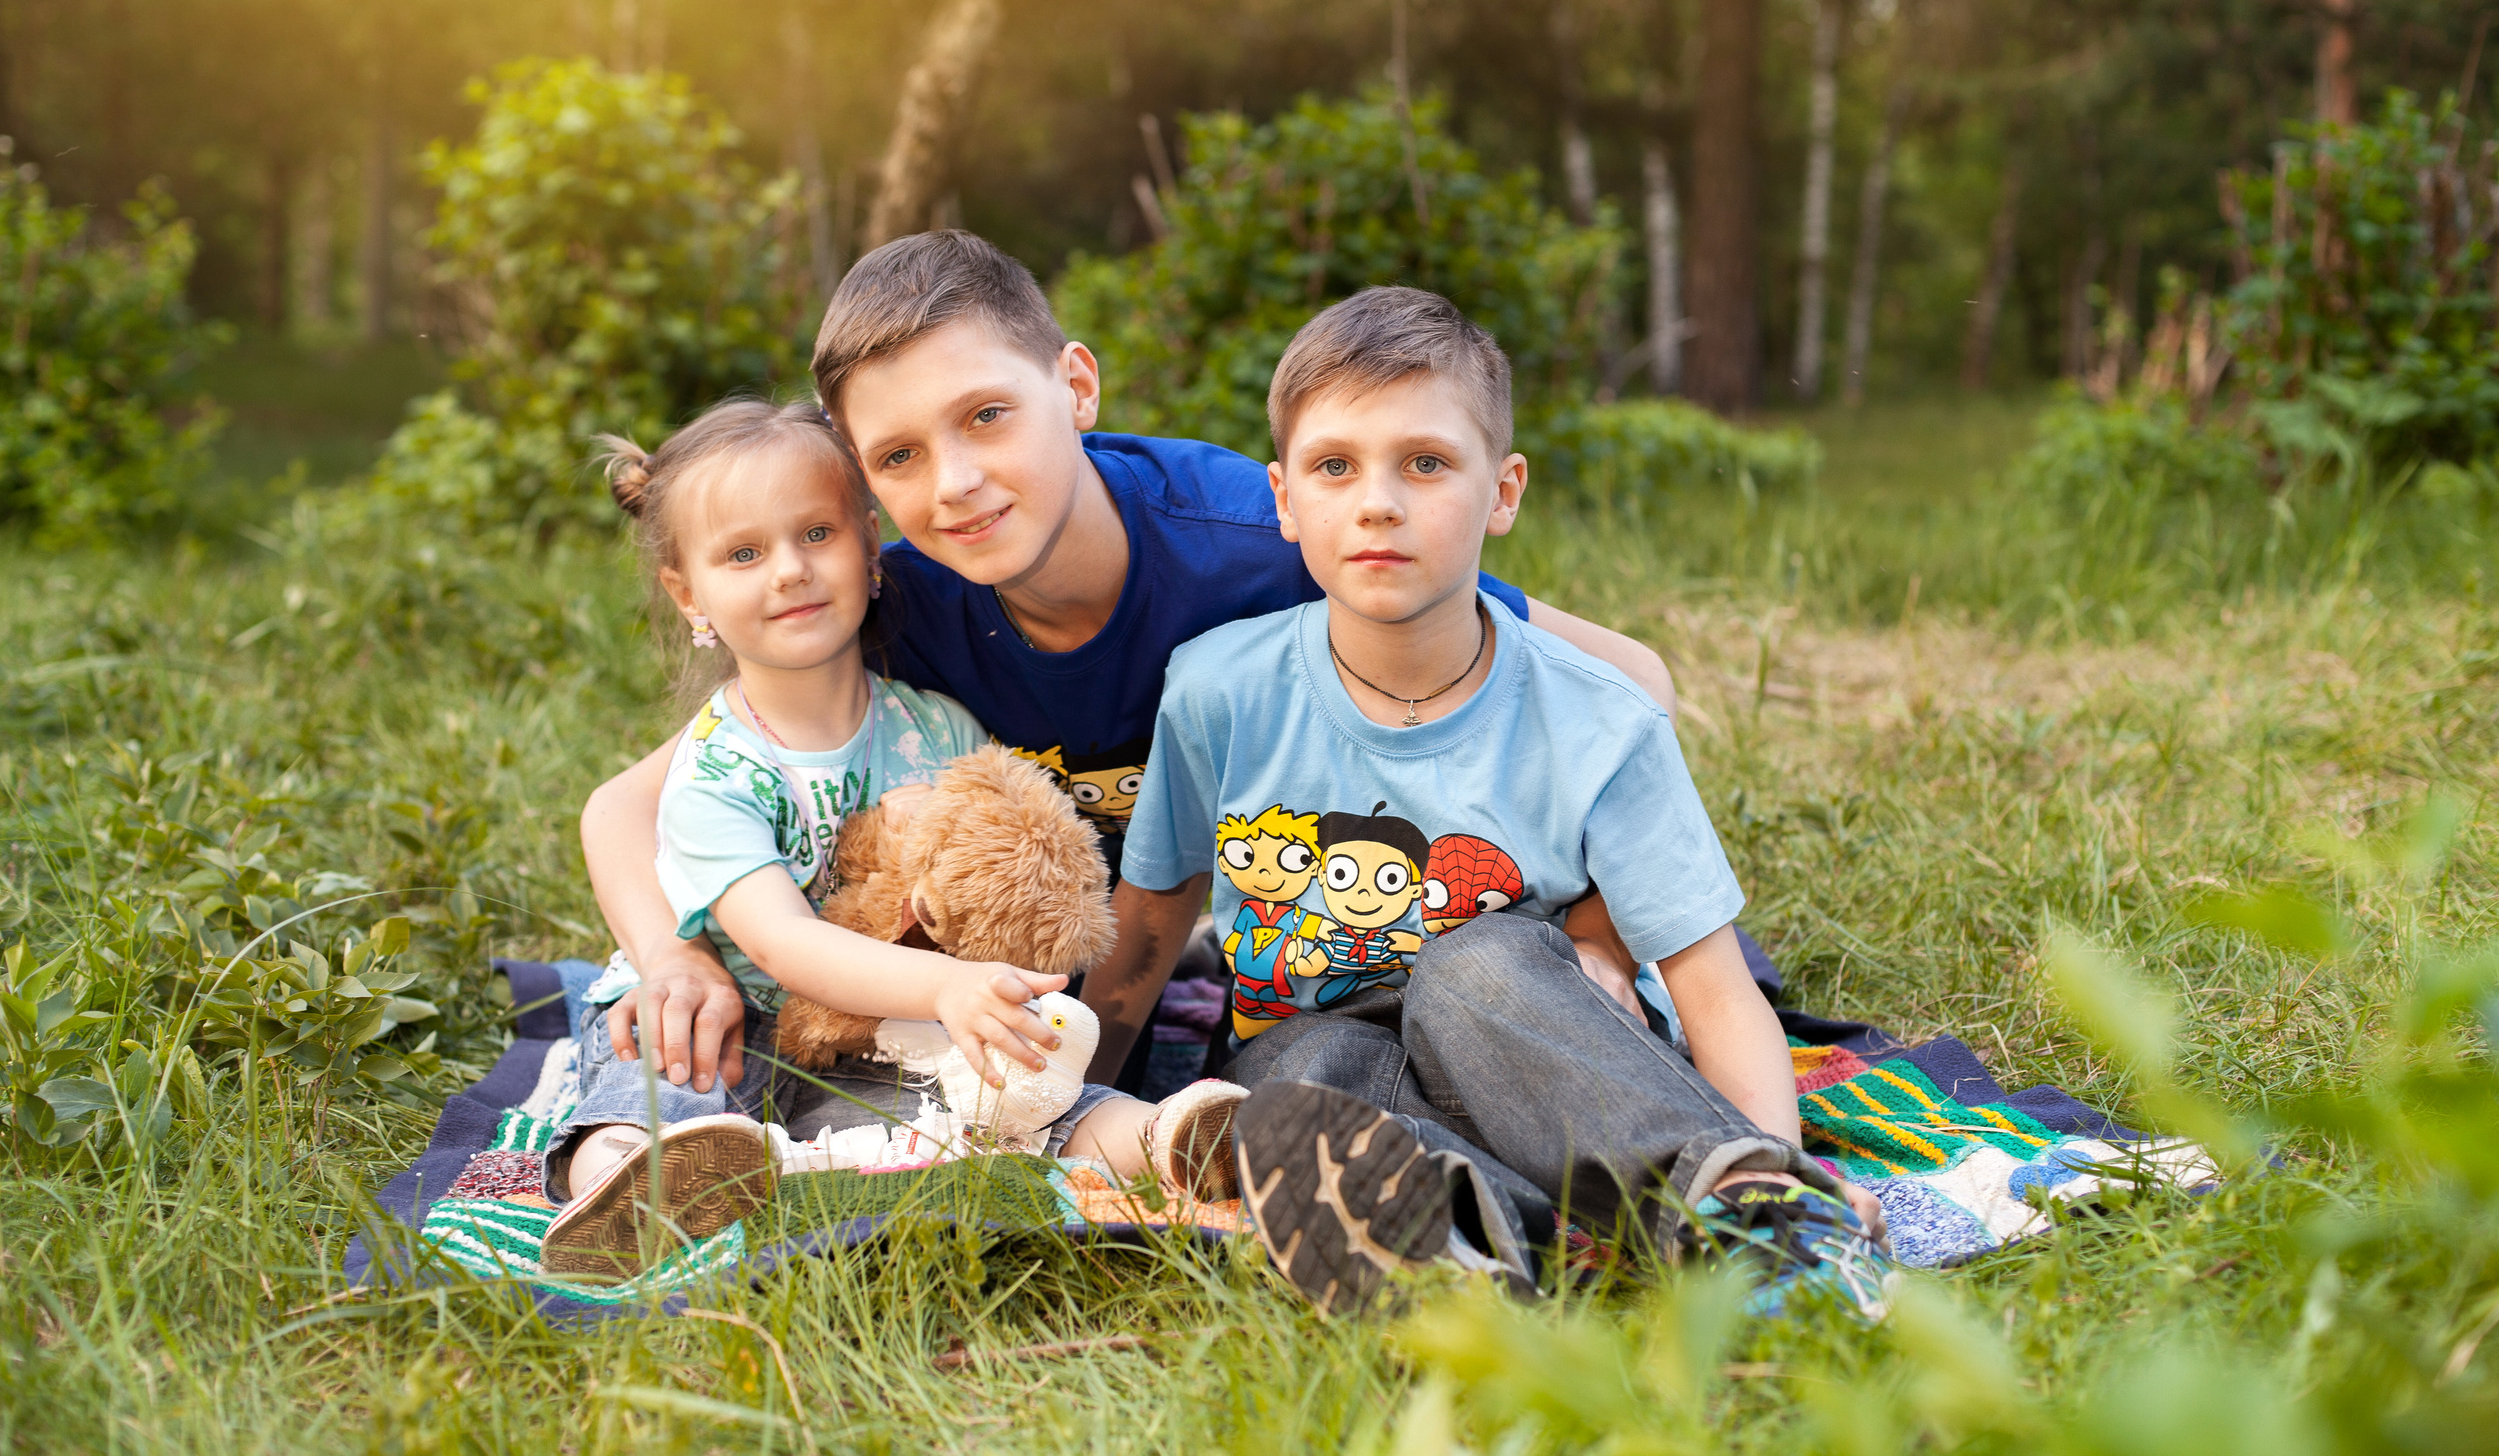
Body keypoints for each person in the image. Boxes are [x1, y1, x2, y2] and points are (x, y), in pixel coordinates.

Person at [579, 229, 1681, 1106]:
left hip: (1369, 920)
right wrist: (673, 960)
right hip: (1064, 970)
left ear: (1077, 386)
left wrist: (1597, 941)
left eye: (987, 416)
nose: (954, 481)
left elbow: (1631, 680)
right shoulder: (894, 599)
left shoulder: (1260, 545)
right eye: (900, 455)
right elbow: (628, 807)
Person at [1119, 287, 1892, 1317]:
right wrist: (1078, 1100)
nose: (1377, 502)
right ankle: (1455, 1250)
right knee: (1299, 1082)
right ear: (1284, 498)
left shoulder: (1600, 717)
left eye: (1425, 463)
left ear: (1503, 490)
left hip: (1547, 1046)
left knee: (1470, 968)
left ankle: (1752, 1212)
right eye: (1334, 466)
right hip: (1318, 1042)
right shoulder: (1217, 689)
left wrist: (1771, 1152)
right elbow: (1150, 919)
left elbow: (1712, 986)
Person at [539, 397, 1242, 1277]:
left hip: (876, 1024)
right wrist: (947, 985)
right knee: (667, 1075)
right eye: (744, 554)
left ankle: (1170, 1136)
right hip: (728, 1005)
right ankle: (623, 1182)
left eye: (816, 534)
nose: (789, 570)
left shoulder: (939, 725)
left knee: (995, 1094)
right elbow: (781, 942)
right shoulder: (715, 769)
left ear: (871, 547)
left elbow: (988, 873)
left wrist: (991, 963)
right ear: (690, 594)